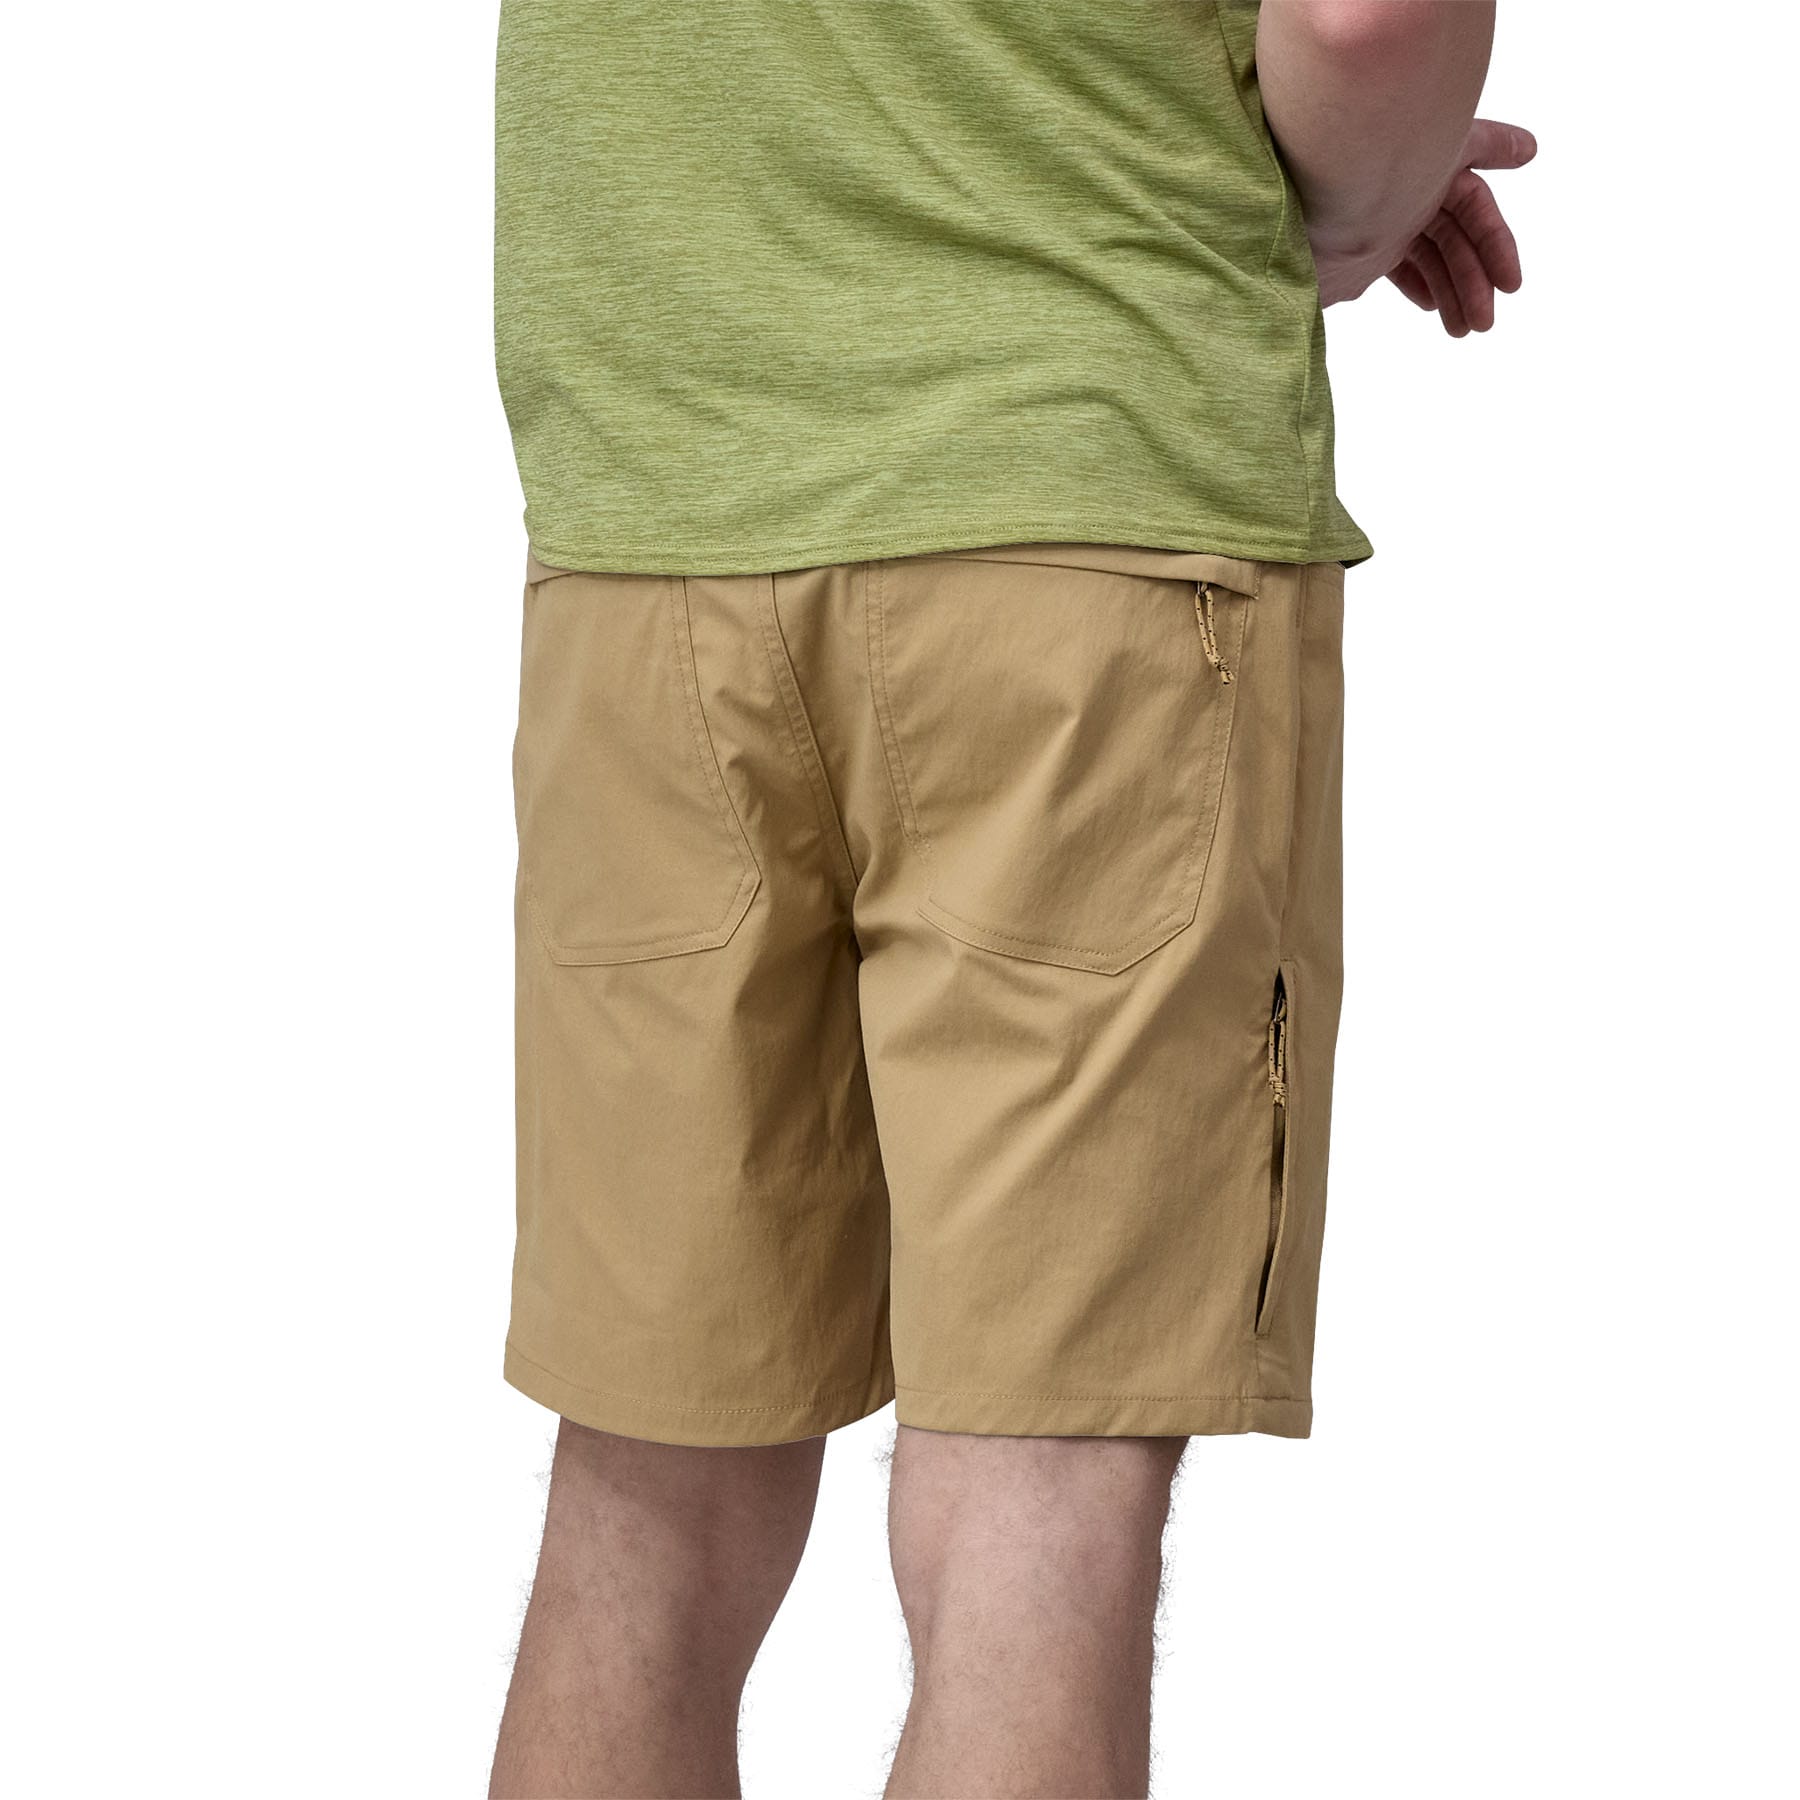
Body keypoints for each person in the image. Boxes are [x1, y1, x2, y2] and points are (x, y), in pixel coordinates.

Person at [486, 3, 1533, 1794]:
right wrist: (1350, 197)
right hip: (1081, 518)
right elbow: (1369, 18)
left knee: (649, 1500)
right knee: (1034, 1498)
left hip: (647, 535)